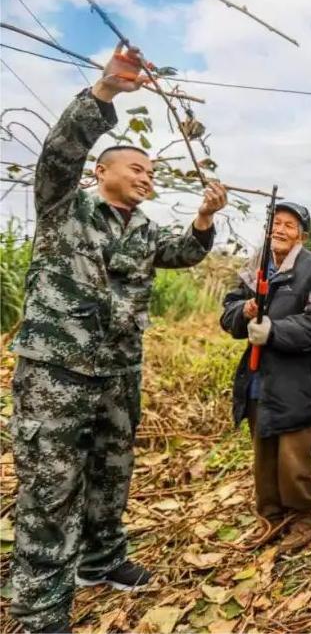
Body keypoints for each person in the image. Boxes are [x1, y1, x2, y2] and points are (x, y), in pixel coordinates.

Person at [9, 46, 228, 633]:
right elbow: (59, 151)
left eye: (151, 174)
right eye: (137, 168)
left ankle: (100, 562)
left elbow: (182, 255)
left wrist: (204, 220)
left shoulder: (145, 230)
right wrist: (105, 90)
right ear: (102, 171)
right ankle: (38, 609)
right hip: (56, 370)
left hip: (117, 371)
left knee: (112, 471)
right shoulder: (63, 207)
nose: (147, 177)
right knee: (51, 486)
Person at [220, 202, 311, 534]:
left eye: (290, 225)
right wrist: (244, 311)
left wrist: (275, 331)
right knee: (264, 452)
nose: (281, 229)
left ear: (301, 234)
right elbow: (227, 312)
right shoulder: (255, 265)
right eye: (276, 222)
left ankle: (304, 519)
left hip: (301, 382)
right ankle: (270, 517)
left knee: (293, 458)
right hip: (260, 378)